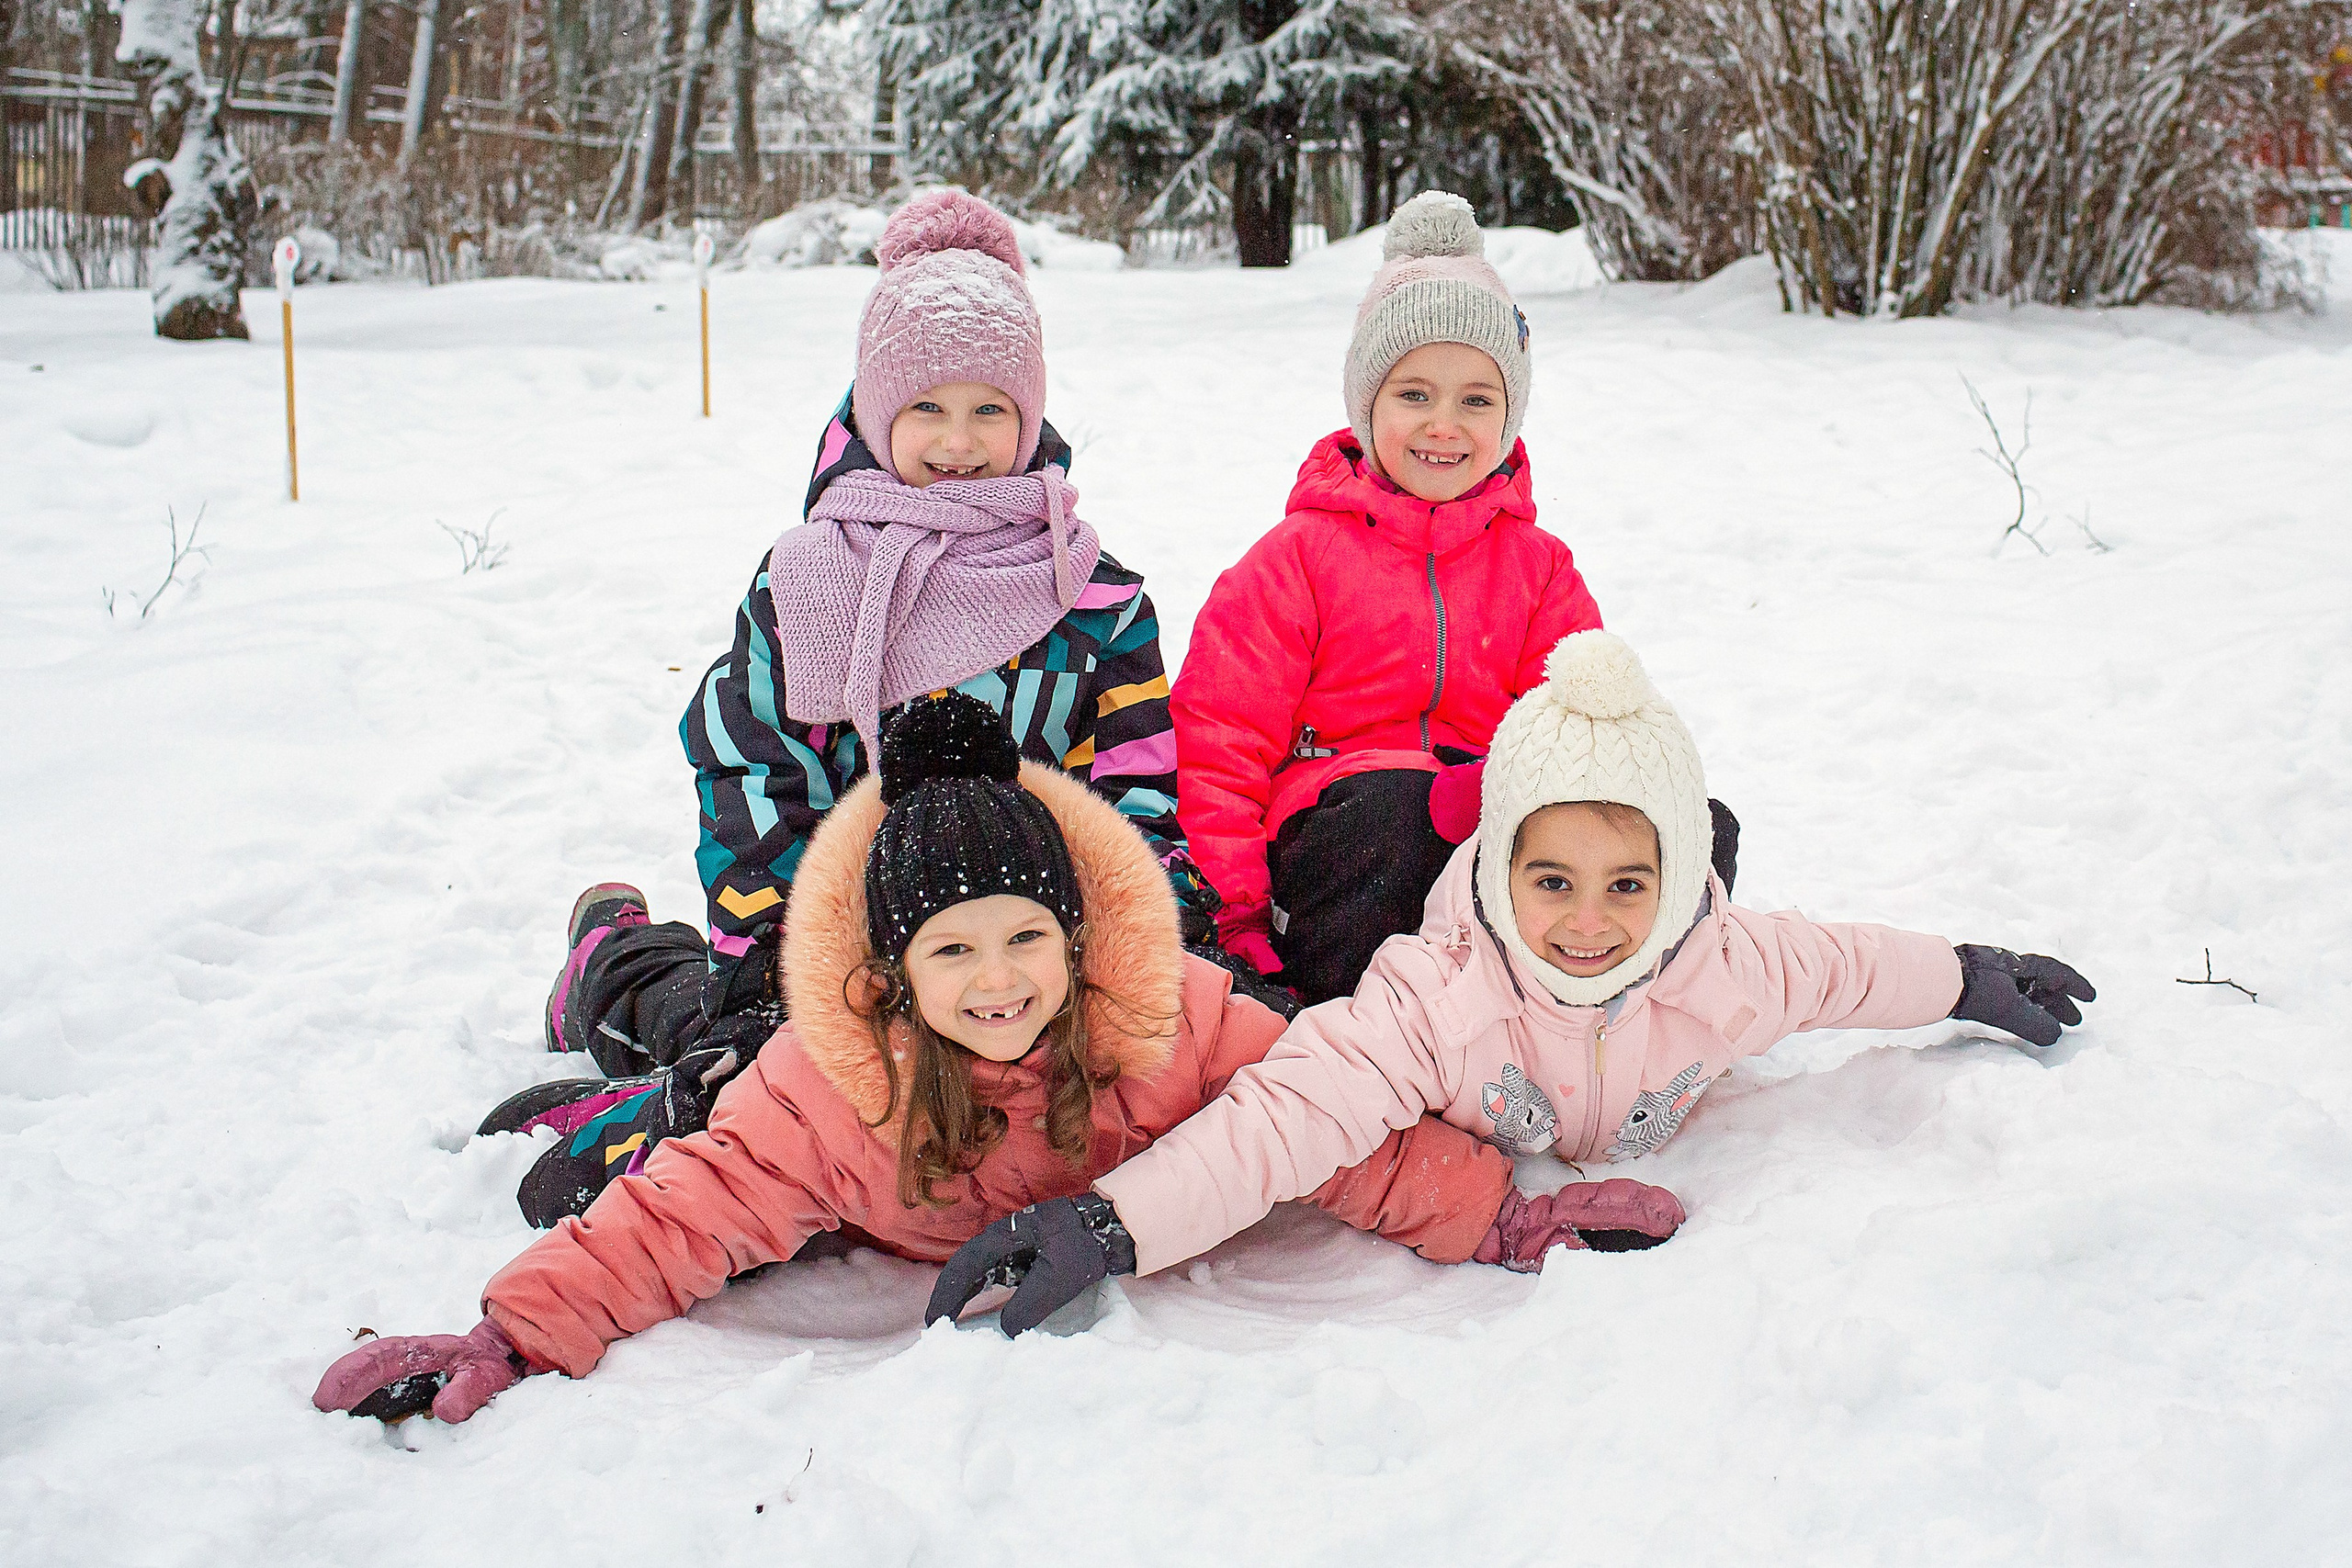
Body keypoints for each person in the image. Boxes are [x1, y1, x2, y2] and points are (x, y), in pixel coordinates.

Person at [316, 695, 1667, 1423]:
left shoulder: (1172, 1015)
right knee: (702, 1040)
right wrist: (514, 1331)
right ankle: (612, 948)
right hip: (765, 1061)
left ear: (1075, 937)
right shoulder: (834, 1074)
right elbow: (690, 1209)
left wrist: (1500, 1212)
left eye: (1027, 937)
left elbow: (1326, 1121)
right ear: (896, 976)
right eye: (952, 955)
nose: (1001, 979)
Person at [928, 632, 2096, 1333]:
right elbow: (1284, 1123)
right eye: (1550, 880)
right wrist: (1111, 1226)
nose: (1587, 925)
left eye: (1628, 885)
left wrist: (1965, 978)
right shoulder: (1431, 996)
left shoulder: (1721, 960)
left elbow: (1846, 966)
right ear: (1495, 866)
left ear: (1680, 877)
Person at [481, 190, 1227, 1224]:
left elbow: (1138, 785)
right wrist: (773, 953)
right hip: (844, 937)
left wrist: (1154, 928)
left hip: (1023, 953)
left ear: (1031, 412)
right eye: (926, 409)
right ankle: (612, 964)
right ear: (878, 413)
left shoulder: (1093, 596)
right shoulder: (813, 583)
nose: (958, 442)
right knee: (746, 1064)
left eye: (989, 410)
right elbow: (750, 766)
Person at [1171, 187, 1729, 1009]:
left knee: (1690, 821)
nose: (1444, 425)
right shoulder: (1297, 558)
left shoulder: (1537, 568)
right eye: (1414, 394)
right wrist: (1237, 914)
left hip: (1489, 823)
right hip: (1345, 841)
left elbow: (1590, 720)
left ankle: (1624, 1002)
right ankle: (1375, 1021)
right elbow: (1221, 741)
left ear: (1509, 417)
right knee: (1402, 812)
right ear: (1366, 407)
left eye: (1477, 399)